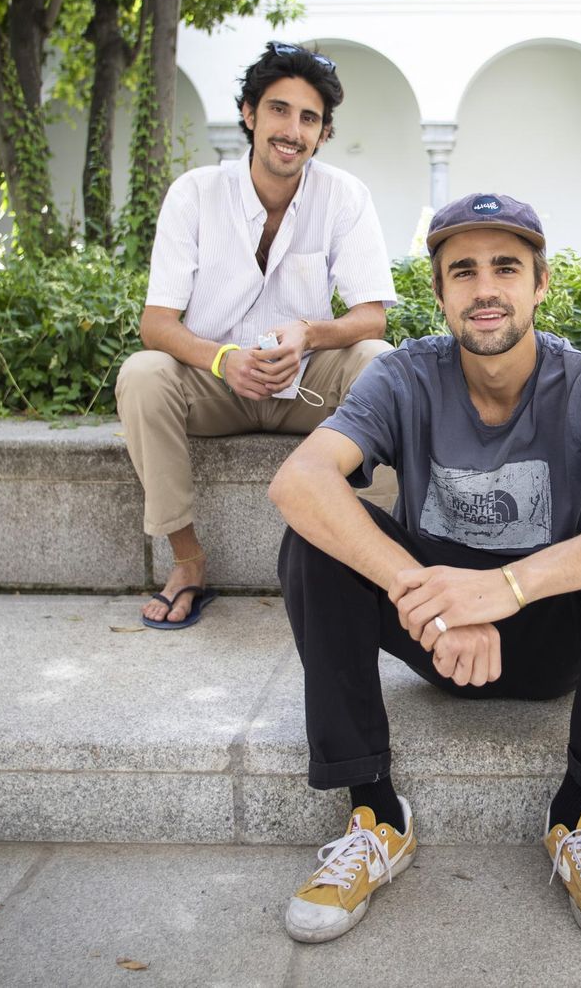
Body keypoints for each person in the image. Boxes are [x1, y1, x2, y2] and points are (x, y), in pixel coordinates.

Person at [268, 193, 581, 946]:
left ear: (540, 285)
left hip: (551, 637)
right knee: (312, 539)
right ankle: (376, 812)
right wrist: (441, 603)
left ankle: (579, 814)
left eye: (506, 267)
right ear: (439, 293)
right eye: (462, 270)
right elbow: (298, 482)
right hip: (434, 630)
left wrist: (505, 588)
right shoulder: (405, 376)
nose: (485, 288)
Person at [115, 42, 397, 629]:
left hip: (309, 390)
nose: (292, 130)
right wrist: (222, 361)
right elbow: (156, 324)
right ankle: (187, 562)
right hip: (215, 387)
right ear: (249, 114)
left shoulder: (344, 195)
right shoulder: (193, 193)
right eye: (279, 110)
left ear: (322, 134)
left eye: (309, 118)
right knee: (142, 373)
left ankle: (372, 559)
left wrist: (309, 333)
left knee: (380, 363)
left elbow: (372, 316)